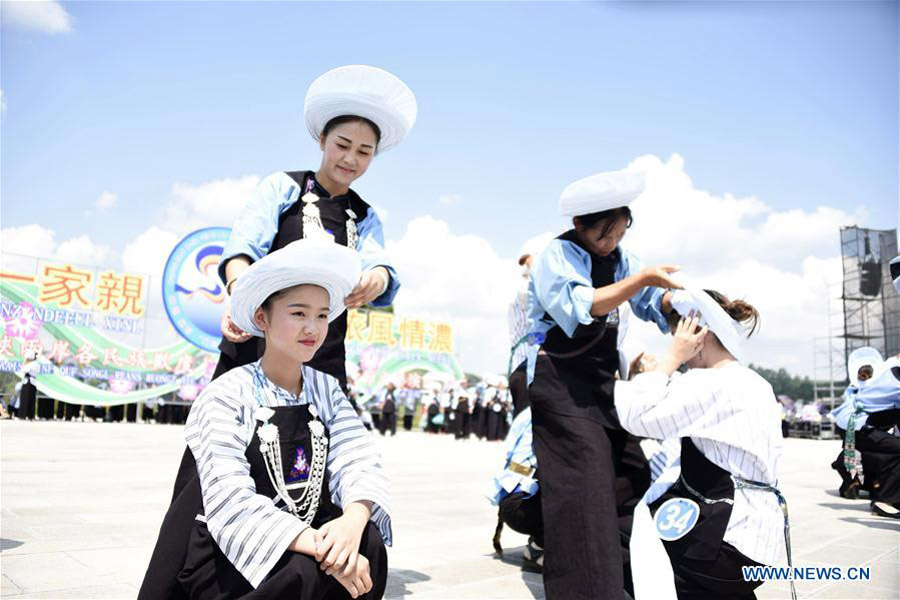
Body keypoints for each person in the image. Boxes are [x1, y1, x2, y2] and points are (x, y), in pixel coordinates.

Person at [142, 64, 415, 599]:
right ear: (321, 139)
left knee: (312, 466)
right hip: (256, 346)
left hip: (322, 360)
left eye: (364, 151)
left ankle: (311, 565)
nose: (351, 159)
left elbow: (385, 271)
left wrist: (377, 276)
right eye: (343, 144)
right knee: (218, 467)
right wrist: (244, 303)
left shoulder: (366, 216)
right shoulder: (284, 188)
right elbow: (241, 248)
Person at [141, 239, 391, 599]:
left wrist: (351, 522)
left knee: (367, 540)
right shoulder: (227, 394)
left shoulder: (328, 390)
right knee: (306, 569)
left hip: (306, 534)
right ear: (263, 318)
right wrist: (319, 545)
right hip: (233, 549)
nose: (313, 328)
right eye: (298, 313)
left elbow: (359, 459)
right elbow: (229, 497)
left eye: (322, 315)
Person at [524, 167, 679, 599]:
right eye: (603, 236)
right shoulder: (557, 255)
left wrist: (673, 298)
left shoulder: (622, 259)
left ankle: (627, 583)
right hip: (560, 386)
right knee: (584, 494)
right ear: (579, 226)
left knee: (630, 478)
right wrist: (644, 279)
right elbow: (584, 305)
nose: (611, 244)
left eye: (619, 234)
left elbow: (650, 303)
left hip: (602, 385)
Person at [617, 286, 789, 600]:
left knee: (622, 534)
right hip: (760, 544)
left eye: (676, 335)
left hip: (727, 545)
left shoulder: (706, 383)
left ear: (698, 335)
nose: (675, 344)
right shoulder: (756, 382)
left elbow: (634, 415)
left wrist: (670, 359)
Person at [830, 347, 900, 518]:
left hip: (857, 430)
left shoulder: (885, 374)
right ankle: (885, 500)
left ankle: (884, 494)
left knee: (886, 455)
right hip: (862, 429)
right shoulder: (892, 376)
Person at [488, 407, 544, 573]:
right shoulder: (549, 411)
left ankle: (539, 543)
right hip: (521, 503)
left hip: (513, 497)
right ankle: (538, 549)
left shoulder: (531, 409)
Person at [829, 347, 883, 499]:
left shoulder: (851, 391)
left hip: (849, 434)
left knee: (847, 458)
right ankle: (873, 485)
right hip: (869, 435)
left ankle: (853, 483)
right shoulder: (877, 391)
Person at [17, 350, 39, 421]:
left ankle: (28, 415)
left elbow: (24, 369)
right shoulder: (31, 363)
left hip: (30, 382)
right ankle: (24, 415)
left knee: (29, 399)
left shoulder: (34, 363)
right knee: (24, 398)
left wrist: (25, 361)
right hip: (26, 381)